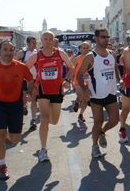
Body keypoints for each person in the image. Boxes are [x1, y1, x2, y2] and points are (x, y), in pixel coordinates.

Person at [0, 41, 34, 180]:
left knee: (14, 139)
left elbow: (31, 80)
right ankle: (2, 166)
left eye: (11, 50)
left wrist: (29, 93)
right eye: (5, 49)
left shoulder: (21, 67)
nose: (8, 52)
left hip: (16, 106)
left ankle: (3, 135)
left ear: (14, 51)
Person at [26, 31, 74, 162]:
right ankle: (43, 148)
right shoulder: (36, 56)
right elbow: (24, 70)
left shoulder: (60, 53)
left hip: (57, 91)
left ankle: (44, 143)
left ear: (54, 40)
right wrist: (31, 85)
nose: (48, 41)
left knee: (54, 120)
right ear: (41, 40)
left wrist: (68, 81)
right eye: (45, 39)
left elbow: (72, 67)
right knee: (44, 119)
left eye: (50, 39)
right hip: (42, 91)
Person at [77, 28, 122, 157]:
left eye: (107, 37)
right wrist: (85, 89)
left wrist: (120, 80)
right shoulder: (90, 57)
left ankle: (102, 131)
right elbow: (80, 75)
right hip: (96, 95)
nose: (106, 39)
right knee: (98, 121)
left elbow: (115, 69)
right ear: (96, 39)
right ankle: (95, 146)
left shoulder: (112, 54)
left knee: (114, 120)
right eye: (103, 37)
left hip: (111, 93)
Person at [14, 36, 38, 130]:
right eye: (32, 42)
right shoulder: (22, 53)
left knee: (33, 99)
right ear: (27, 43)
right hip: (23, 79)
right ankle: (24, 107)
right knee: (24, 98)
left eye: (35, 42)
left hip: (34, 79)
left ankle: (33, 120)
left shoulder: (37, 53)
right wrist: (22, 64)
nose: (34, 44)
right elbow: (13, 63)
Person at [71, 42, 91, 123]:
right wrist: (70, 80)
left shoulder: (92, 58)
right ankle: (77, 101)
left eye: (87, 48)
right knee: (81, 96)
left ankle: (81, 114)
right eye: (84, 48)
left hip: (88, 81)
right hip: (78, 81)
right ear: (80, 49)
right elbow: (72, 69)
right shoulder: (77, 59)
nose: (86, 49)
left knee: (86, 99)